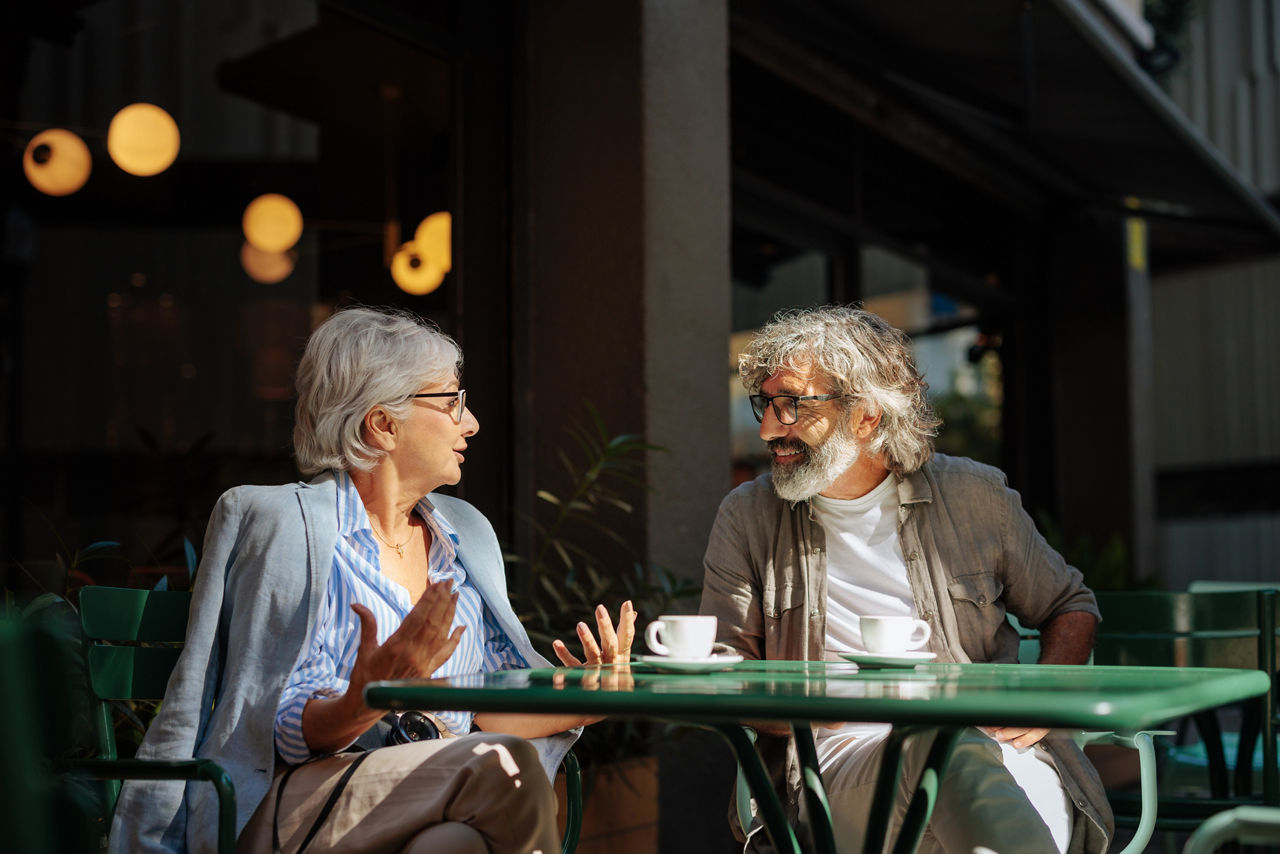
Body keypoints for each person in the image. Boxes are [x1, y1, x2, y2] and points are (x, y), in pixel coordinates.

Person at [110, 305, 635, 854]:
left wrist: (592, 699)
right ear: (383, 424)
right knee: (505, 766)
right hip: (295, 802)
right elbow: (278, 724)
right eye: (453, 400)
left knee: (455, 845)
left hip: (432, 791)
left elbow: (477, 711)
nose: (471, 421)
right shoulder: (290, 527)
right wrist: (370, 697)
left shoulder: (462, 536)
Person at [700, 305, 1112, 854]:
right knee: (938, 746)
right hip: (840, 767)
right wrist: (820, 704)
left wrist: (1046, 695)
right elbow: (723, 670)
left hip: (1004, 757)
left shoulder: (974, 496)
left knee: (954, 757)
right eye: (766, 405)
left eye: (792, 405)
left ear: (866, 416)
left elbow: (1070, 605)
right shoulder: (747, 515)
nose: (768, 428)